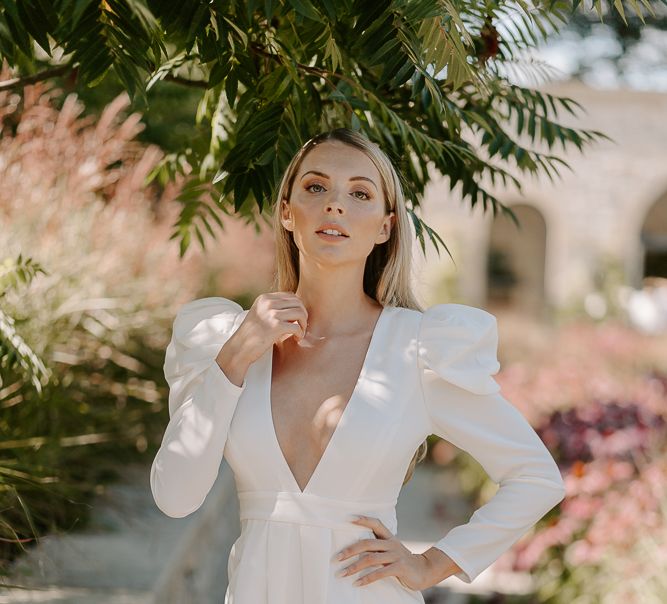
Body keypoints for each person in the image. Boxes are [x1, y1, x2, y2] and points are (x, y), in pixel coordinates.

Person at [150, 128, 566, 603]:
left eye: (360, 193)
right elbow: (175, 497)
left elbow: (535, 476)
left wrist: (430, 564)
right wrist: (235, 356)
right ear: (287, 212)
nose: (335, 205)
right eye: (315, 187)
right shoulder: (226, 340)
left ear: (386, 227)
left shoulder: (417, 350)